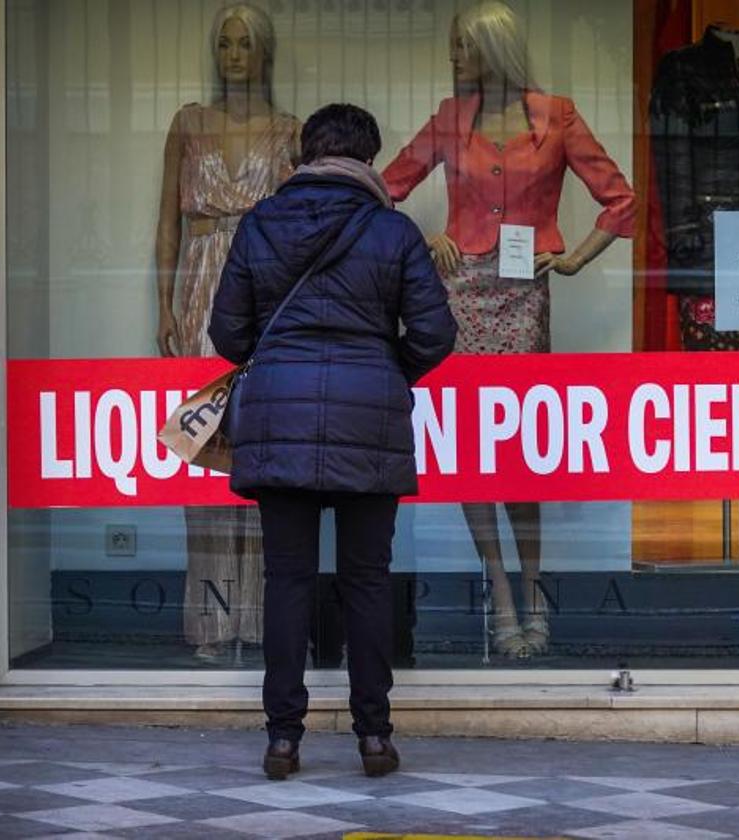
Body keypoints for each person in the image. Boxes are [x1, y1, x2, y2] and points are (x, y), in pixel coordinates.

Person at [208, 104, 457, 779]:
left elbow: (228, 336)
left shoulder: (260, 226)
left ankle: (283, 740)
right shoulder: (392, 231)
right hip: (367, 425)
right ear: (368, 159)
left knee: (286, 582)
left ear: (305, 155)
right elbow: (436, 333)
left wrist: (282, 358)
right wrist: (382, 373)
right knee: (367, 583)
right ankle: (374, 737)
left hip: (278, 424)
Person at [383, 0, 634, 658]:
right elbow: (382, 188)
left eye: (462, 46)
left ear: (492, 48)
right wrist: (423, 240)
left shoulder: (557, 116)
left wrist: (576, 256)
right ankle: (498, 590)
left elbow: (621, 197)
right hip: (460, 292)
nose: (453, 57)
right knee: (474, 448)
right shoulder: (448, 119)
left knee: (518, 448)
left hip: (524, 294)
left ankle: (534, 590)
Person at [155, 2, 300, 663]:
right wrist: (163, 302)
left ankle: (262, 616)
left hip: (265, 288)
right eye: (224, 43)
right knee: (204, 441)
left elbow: (301, 228)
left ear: (265, 52)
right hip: (199, 289)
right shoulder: (188, 124)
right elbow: (166, 224)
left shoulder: (290, 131)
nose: (233, 54)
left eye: (245, 43)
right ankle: (212, 619)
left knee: (262, 445)